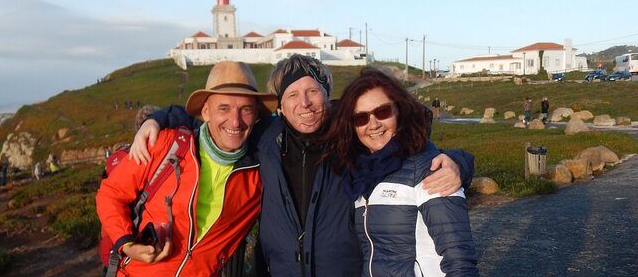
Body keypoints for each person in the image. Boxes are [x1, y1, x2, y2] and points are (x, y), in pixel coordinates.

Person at [131, 55, 473, 276]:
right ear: (280, 106)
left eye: (312, 91)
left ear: (327, 95)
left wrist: (459, 163)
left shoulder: (350, 131)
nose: (304, 104)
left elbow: (406, 142)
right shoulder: (265, 136)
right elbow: (218, 117)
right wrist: (159, 118)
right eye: (293, 95)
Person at [96, 61, 277, 276]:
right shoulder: (166, 145)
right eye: (224, 108)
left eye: (246, 109)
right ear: (206, 112)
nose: (235, 121)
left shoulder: (259, 176)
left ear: (256, 115)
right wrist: (127, 245)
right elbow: (111, 193)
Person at [323, 69, 478, 276]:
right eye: (360, 118)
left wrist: (461, 164)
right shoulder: (358, 175)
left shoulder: (431, 169)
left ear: (400, 110)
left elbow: (459, 260)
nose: (373, 124)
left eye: (382, 112)